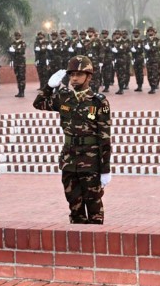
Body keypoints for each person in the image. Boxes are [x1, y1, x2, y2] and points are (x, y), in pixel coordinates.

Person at [33, 56, 112, 224]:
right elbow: (38, 103)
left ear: (89, 77)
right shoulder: (64, 97)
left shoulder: (98, 101)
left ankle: (95, 239)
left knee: (94, 208)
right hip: (69, 159)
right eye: (71, 74)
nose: (74, 78)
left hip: (90, 161)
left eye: (79, 74)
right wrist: (49, 87)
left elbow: (104, 137)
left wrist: (105, 169)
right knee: (74, 207)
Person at [144, 26, 160, 94]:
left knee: (155, 73)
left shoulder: (157, 40)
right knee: (149, 74)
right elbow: (144, 49)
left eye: (152, 31)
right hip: (149, 59)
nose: (150, 32)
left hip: (155, 59)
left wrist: (149, 48)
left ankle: (153, 87)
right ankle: (151, 85)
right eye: (149, 31)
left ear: (154, 32)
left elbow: (157, 48)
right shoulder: (145, 40)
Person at [10, 31, 26, 97]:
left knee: (22, 77)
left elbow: (22, 51)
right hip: (15, 62)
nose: (17, 37)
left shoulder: (22, 43)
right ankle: (19, 91)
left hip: (21, 62)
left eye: (18, 35)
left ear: (20, 36)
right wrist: (11, 60)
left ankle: (22, 92)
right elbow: (11, 52)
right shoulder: (13, 43)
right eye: (16, 35)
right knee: (18, 77)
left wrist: (15, 50)